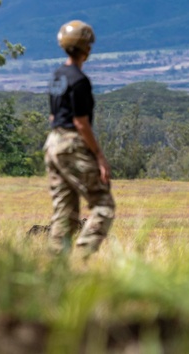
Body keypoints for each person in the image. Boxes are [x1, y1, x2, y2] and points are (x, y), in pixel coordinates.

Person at [44, 20, 115, 256]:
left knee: (64, 214)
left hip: (53, 143)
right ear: (87, 48)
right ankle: (82, 258)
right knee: (103, 206)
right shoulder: (79, 80)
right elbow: (81, 123)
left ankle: (55, 269)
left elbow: (54, 114)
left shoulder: (57, 76)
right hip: (71, 144)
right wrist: (99, 156)